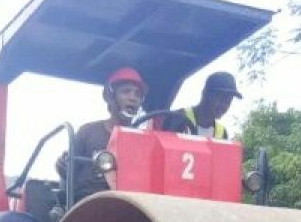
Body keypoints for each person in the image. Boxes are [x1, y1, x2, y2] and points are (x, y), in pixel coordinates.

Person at [58, 67, 148, 203]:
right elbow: (67, 171)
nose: (132, 98)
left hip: (131, 202)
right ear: (110, 97)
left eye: (137, 94)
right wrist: (62, 163)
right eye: (126, 92)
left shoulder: (143, 141)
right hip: (89, 202)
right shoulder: (88, 132)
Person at [161, 71, 243, 139]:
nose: (224, 106)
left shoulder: (222, 133)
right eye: (221, 99)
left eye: (228, 101)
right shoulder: (177, 119)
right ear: (205, 94)